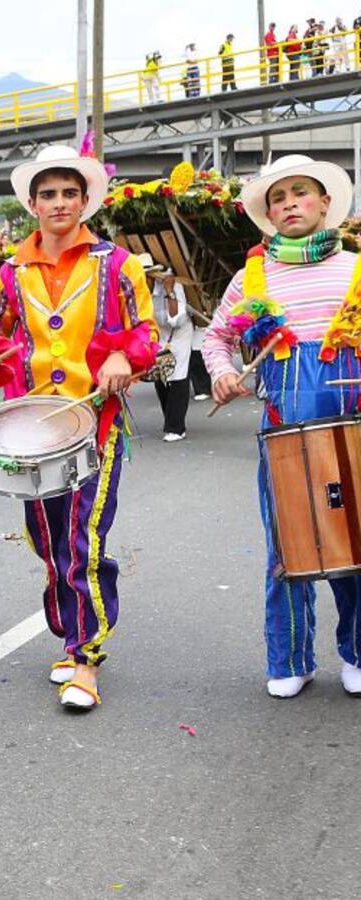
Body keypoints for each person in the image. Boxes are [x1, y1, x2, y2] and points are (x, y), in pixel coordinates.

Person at [0, 145, 158, 711]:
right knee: (46, 542)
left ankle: (85, 657)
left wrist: (126, 359)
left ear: (85, 199)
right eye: (48, 193)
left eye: (70, 192)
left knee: (82, 542)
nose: (60, 203)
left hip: (93, 424)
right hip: (28, 431)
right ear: (32, 203)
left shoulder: (117, 265)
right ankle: (68, 639)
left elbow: (146, 332)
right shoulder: (12, 271)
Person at [202, 154, 361, 700]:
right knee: (287, 548)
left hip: (352, 432)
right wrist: (223, 374)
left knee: (354, 541)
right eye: (279, 197)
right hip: (284, 433)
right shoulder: (253, 276)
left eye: (301, 192)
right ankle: (289, 657)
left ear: (324, 203)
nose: (290, 202)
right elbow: (216, 338)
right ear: (268, 213)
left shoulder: (356, 268)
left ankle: (358, 652)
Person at [150, 266, 193, 441]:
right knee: (159, 377)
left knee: (178, 377)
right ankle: (170, 418)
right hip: (157, 334)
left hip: (179, 335)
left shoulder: (175, 287)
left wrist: (169, 291)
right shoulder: (139, 288)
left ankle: (176, 427)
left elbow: (176, 320)